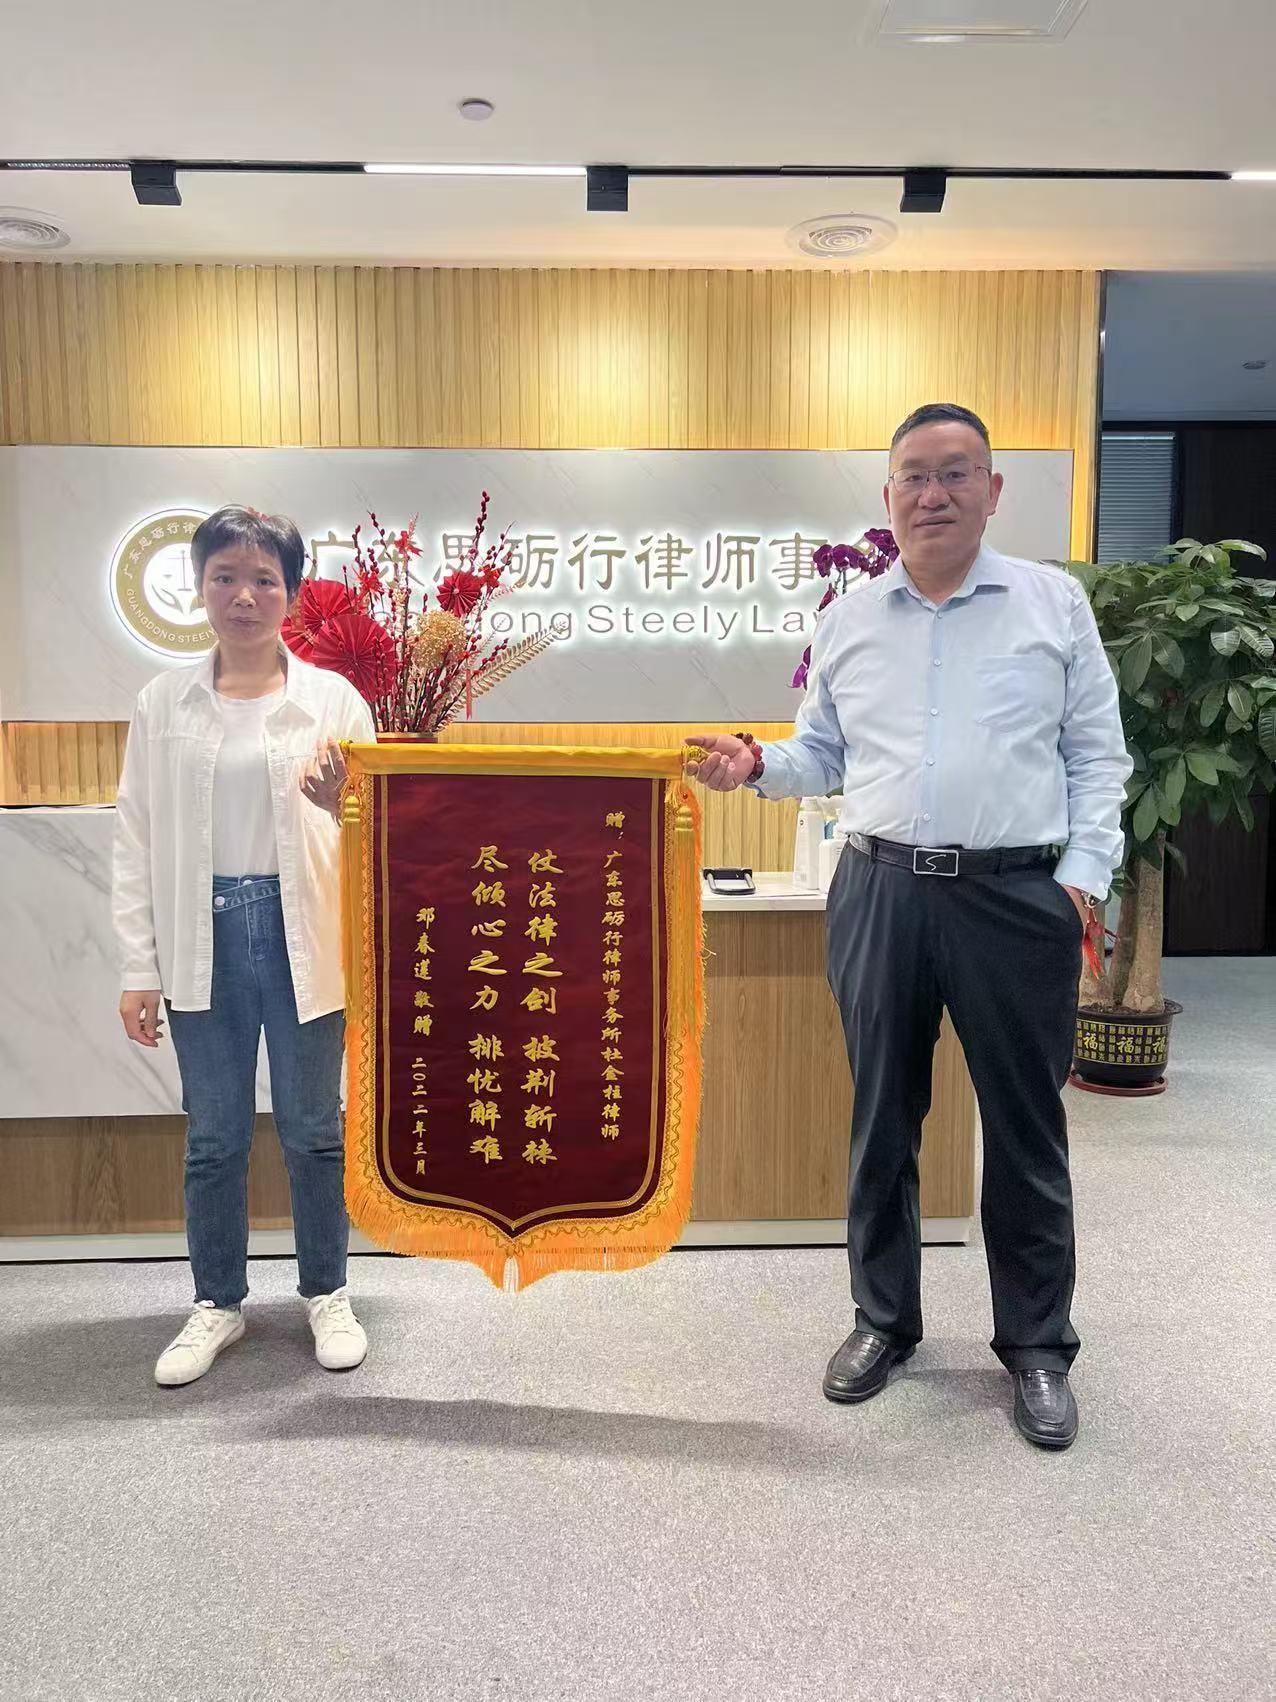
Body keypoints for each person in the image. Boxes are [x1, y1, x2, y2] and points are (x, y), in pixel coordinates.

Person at [686, 403, 1131, 1450]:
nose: (934, 494)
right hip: (879, 890)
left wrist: (1078, 883)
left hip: (1013, 897)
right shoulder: (850, 617)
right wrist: (757, 764)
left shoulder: (1052, 605)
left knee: (1024, 1126)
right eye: (914, 477)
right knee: (881, 1116)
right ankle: (883, 1321)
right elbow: (822, 754)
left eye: (956, 473)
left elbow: (1097, 755)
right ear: (887, 496)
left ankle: (1037, 1344)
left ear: (992, 490)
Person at [113, 506, 376, 1387]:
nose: (244, 596)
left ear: (291, 593)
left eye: (265, 579)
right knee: (215, 1137)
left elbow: (378, 833)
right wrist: (137, 966)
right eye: (225, 576)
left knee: (314, 1131)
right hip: (204, 935)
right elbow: (135, 837)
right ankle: (217, 1302)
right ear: (200, 588)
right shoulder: (163, 703)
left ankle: (327, 1291)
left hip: (306, 935)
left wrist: (345, 803)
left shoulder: (334, 702)